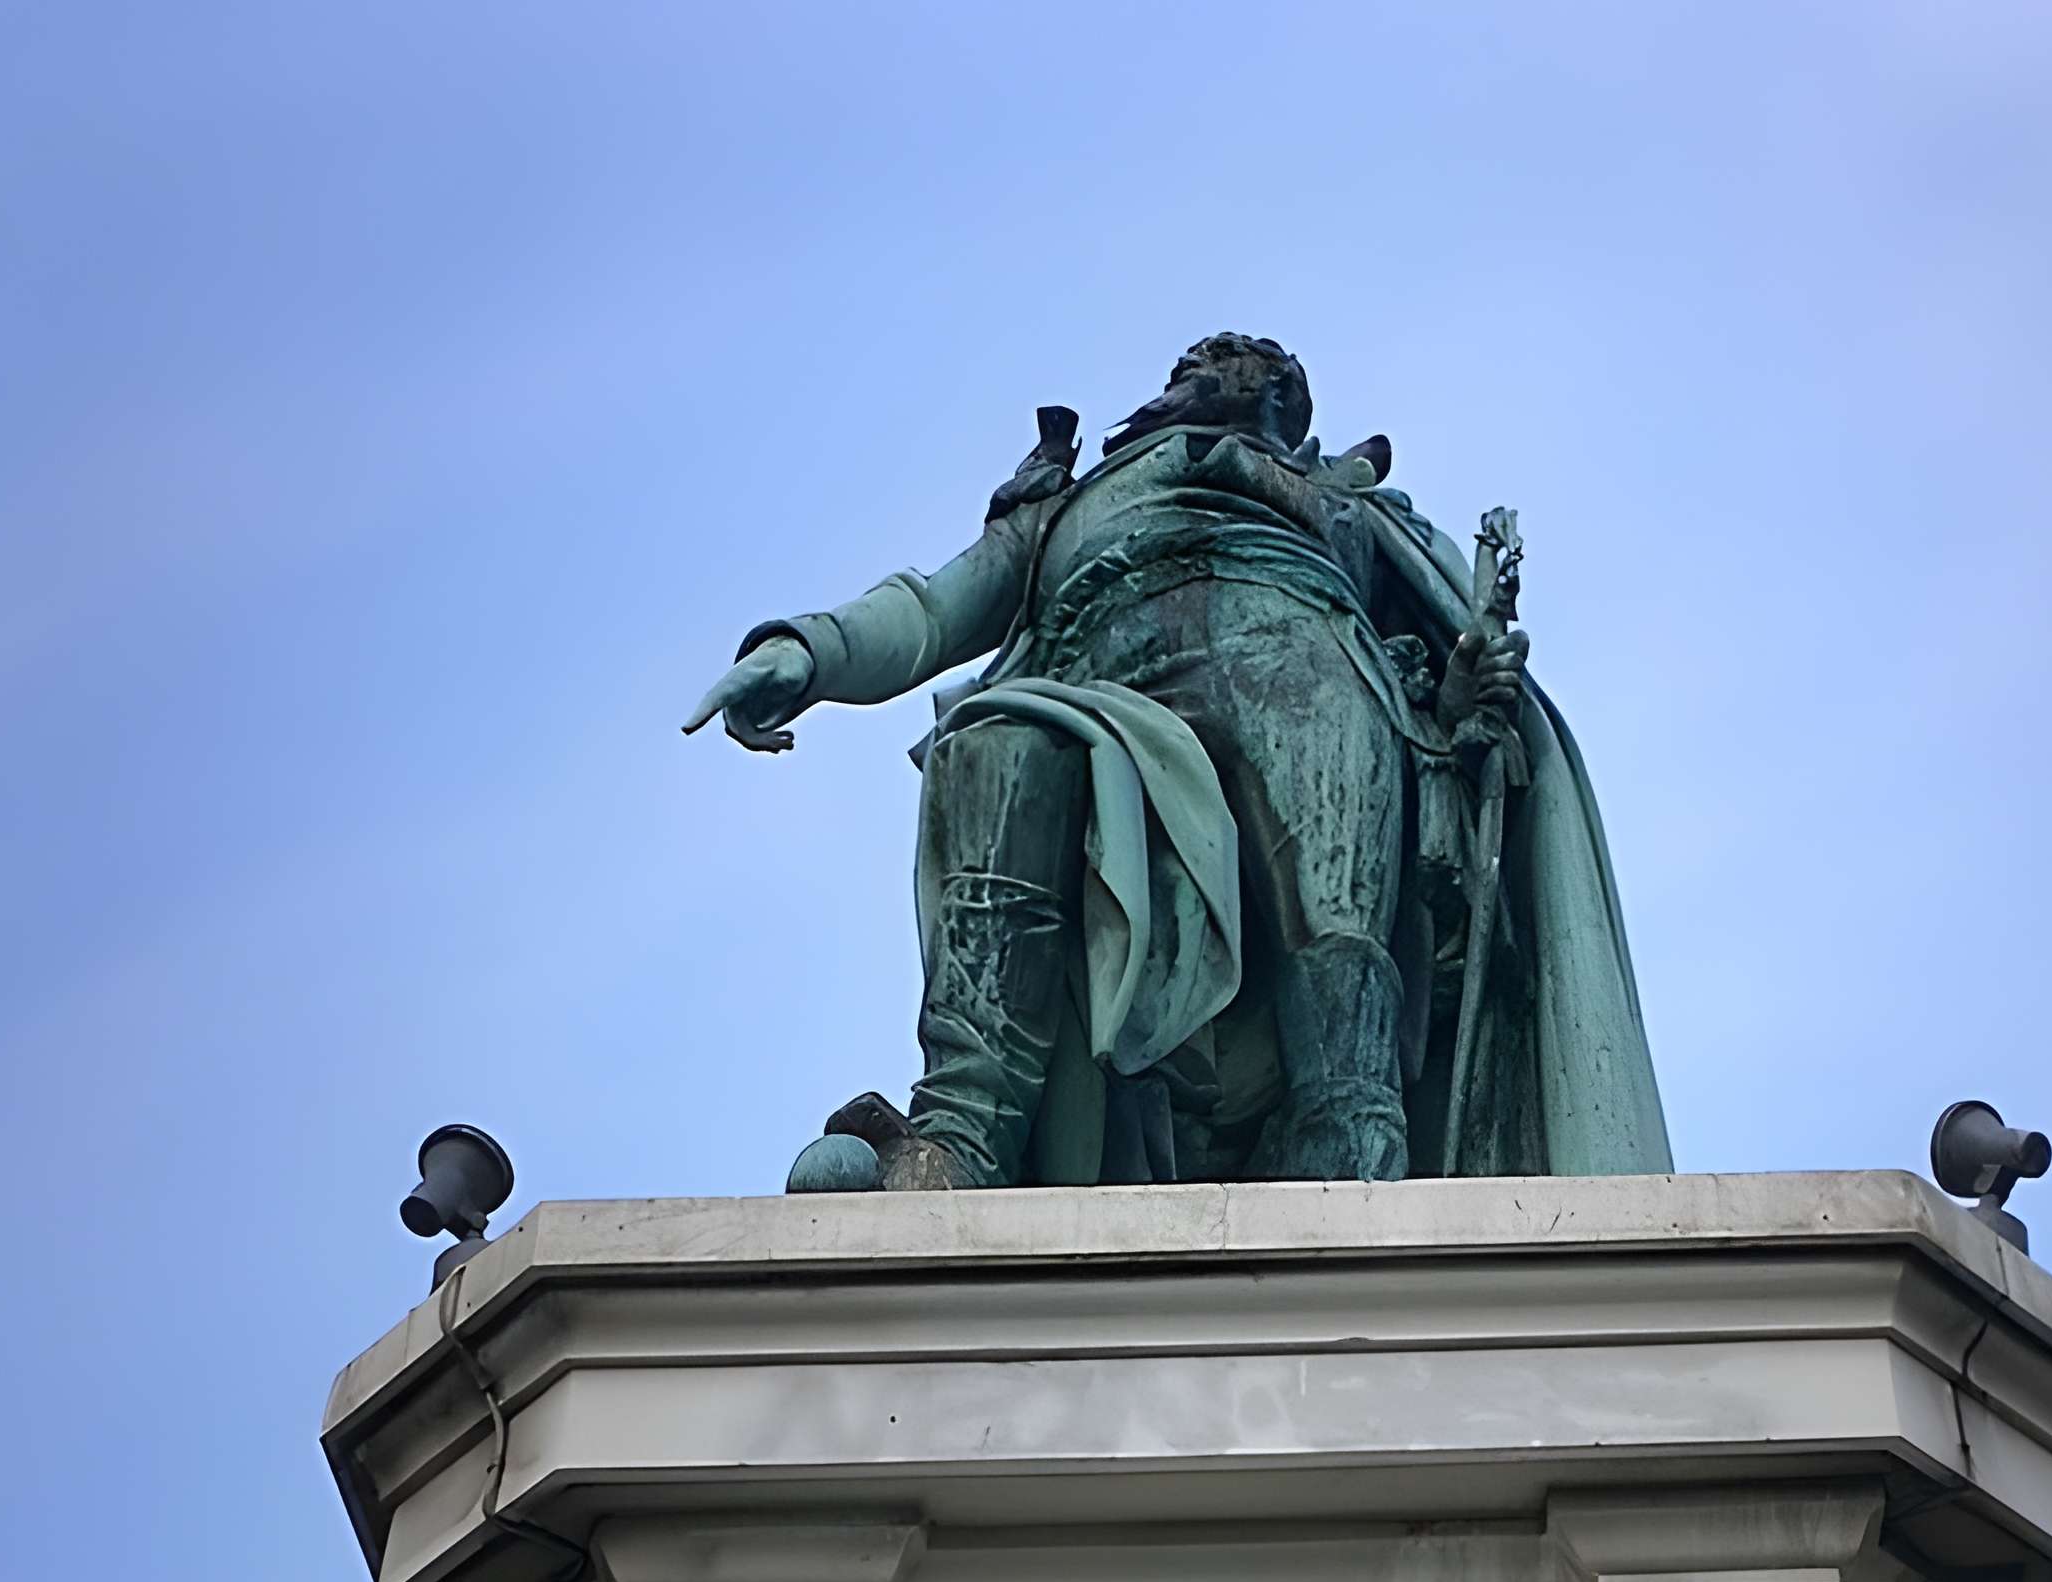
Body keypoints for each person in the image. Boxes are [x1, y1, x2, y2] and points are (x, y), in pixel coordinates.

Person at [688, 335, 1669, 1189]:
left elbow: (1447, 645)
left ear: (1281, 404)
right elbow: (933, 607)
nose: (1196, 375)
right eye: (1189, 366)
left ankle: (1352, 1153)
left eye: (1227, 367)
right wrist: (805, 652)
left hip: (1306, 655)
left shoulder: (1346, 504)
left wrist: (1464, 692)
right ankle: (961, 1138)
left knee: (1333, 923)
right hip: (1097, 688)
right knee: (991, 746)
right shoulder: (1063, 508)